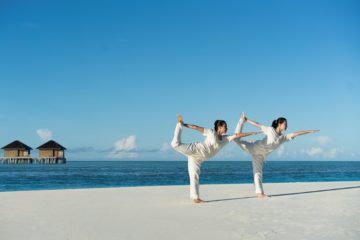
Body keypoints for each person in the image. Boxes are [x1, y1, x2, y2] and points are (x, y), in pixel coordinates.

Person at [171, 115, 259, 203]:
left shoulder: (226, 138)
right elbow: (196, 127)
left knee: (194, 176)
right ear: (219, 127)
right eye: (225, 126)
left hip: (199, 158)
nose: (227, 128)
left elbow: (237, 135)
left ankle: (195, 198)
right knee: (175, 144)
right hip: (196, 149)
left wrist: (251, 133)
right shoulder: (211, 132)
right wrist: (183, 124)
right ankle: (179, 125)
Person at [234, 112, 319, 198]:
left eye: (287, 124)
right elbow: (258, 124)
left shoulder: (282, 138)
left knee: (258, 173)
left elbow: (296, 133)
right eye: (285, 124)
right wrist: (246, 120)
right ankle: (241, 121)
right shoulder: (270, 130)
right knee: (236, 140)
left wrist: (309, 131)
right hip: (253, 147)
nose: (286, 126)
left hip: (260, 156)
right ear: (279, 124)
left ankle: (260, 194)